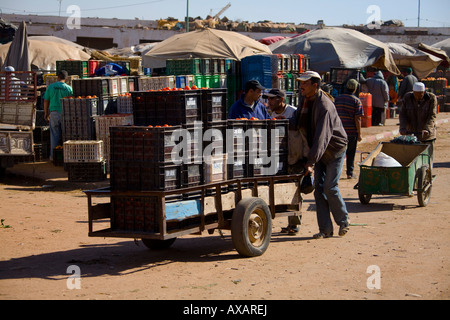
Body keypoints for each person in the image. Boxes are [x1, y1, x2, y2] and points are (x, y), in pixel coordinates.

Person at [291, 71, 350, 239]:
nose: (301, 86)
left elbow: (322, 136)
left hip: (334, 150)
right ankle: (325, 229)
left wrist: (310, 161)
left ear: (314, 86)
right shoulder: (305, 100)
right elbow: (297, 121)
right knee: (319, 191)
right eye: (300, 83)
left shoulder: (324, 106)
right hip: (318, 151)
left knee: (330, 187)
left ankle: (343, 221)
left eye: (304, 83)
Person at [263, 88, 300, 234]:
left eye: (272, 99)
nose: (269, 102)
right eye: (268, 99)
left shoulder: (292, 112)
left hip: (292, 155)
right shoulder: (270, 113)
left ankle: (294, 223)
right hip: (276, 156)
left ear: (281, 100)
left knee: (293, 189)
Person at [399, 82, 437, 165]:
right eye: (416, 94)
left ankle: (427, 175)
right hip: (412, 134)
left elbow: (432, 116)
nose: (418, 97)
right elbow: (402, 114)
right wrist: (403, 127)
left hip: (427, 135)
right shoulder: (407, 97)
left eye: (420, 95)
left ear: (424, 92)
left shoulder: (431, 98)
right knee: (411, 160)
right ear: (413, 92)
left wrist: (427, 129)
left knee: (427, 159)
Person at [335, 79, 364, 179]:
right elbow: (358, 119)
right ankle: (349, 173)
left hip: (338, 131)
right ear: (355, 89)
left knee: (338, 153)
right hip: (351, 132)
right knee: (350, 153)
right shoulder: (356, 101)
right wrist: (359, 133)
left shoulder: (337, 99)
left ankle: (335, 174)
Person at [43, 70, 73, 160]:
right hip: (66, 114)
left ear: (58, 77)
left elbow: (46, 101)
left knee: (54, 135)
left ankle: (53, 157)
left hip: (54, 113)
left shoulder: (51, 87)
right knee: (66, 135)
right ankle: (67, 157)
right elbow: (72, 101)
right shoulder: (68, 88)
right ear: (66, 78)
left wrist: (46, 113)